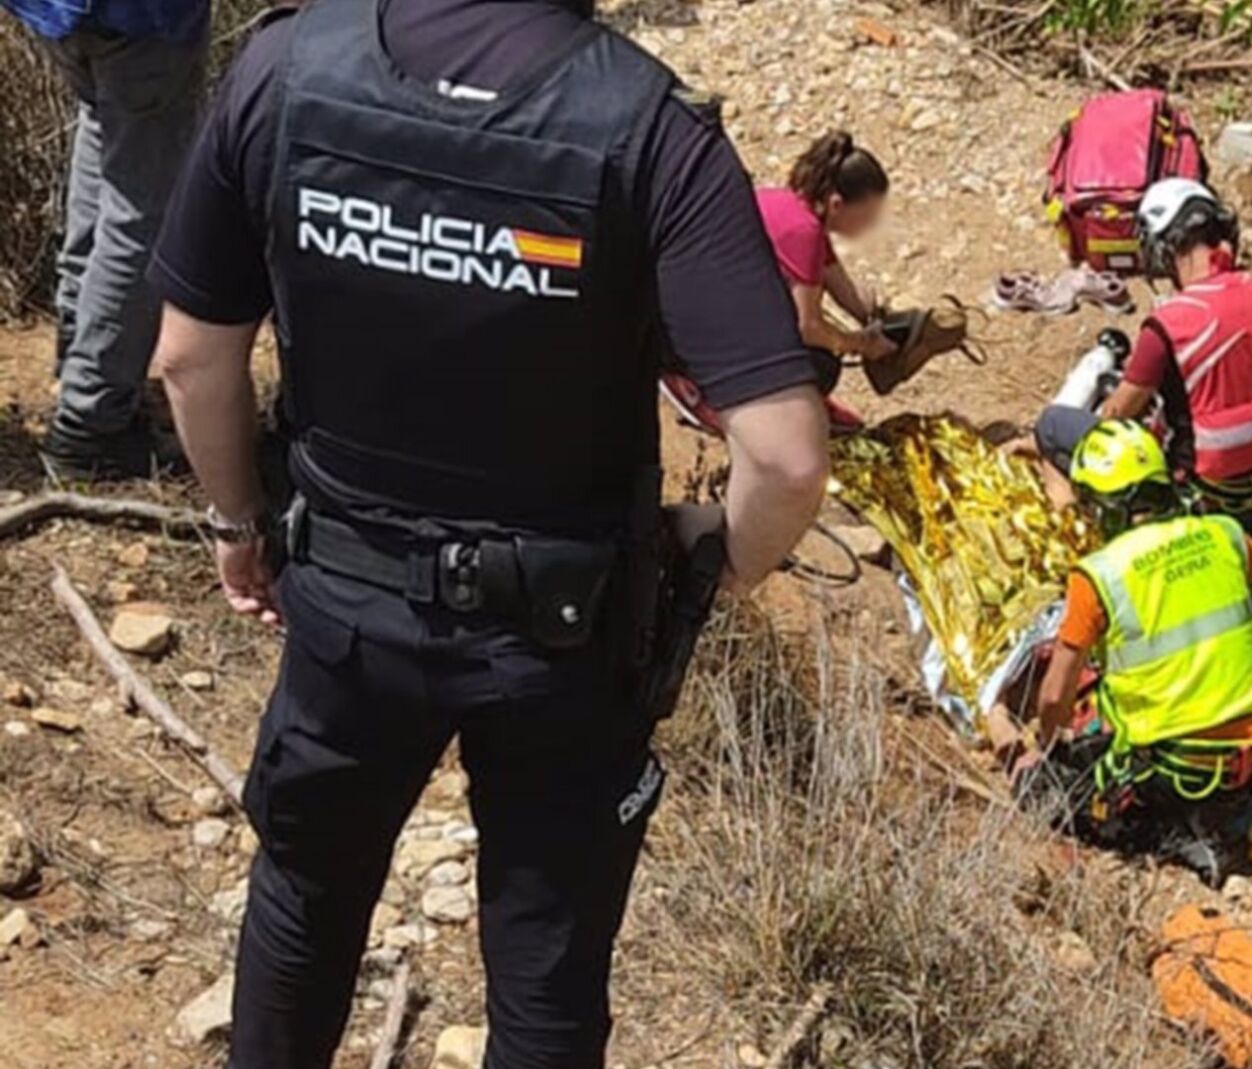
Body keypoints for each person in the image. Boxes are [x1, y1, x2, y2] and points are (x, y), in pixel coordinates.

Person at [146, 0, 830, 1064]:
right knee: (546, 975)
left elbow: (190, 356)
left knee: (302, 908)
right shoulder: (651, 129)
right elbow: (786, 454)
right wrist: (720, 556)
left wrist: (239, 521)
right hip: (564, 635)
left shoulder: (286, 68)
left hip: (345, 604)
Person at [1017, 421, 1252, 888]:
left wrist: (1045, 746)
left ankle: (1175, 836)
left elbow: (1055, 695)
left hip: (1177, 772)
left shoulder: (1098, 576)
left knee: (1041, 792)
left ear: (1104, 506)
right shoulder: (1222, 536)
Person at [1033, 179, 1252, 528]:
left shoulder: (1167, 324)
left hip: (1198, 497)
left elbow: (1116, 416)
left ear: (1161, 247)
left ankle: (1065, 505)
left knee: (1052, 425)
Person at [4, 0, 207, 477]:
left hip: (61, 14)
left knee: (103, 139)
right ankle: (91, 422)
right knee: (140, 215)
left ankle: (84, 364)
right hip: (142, 21)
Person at [754, 131, 900, 393]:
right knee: (821, 365)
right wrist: (860, 344)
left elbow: (832, 273)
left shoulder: (794, 206)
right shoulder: (804, 232)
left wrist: (869, 319)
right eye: (865, 215)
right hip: (710, 329)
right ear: (836, 204)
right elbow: (807, 327)